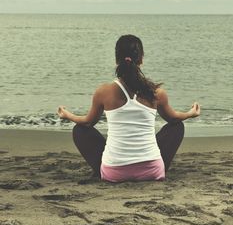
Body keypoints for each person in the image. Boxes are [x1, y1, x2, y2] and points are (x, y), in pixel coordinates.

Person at [58, 34, 200, 182]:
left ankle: (104, 171)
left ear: (116, 60)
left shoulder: (103, 92)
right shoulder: (156, 93)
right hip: (152, 172)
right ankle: (154, 166)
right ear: (142, 60)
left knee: (80, 130)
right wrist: (190, 113)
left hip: (114, 174)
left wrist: (67, 115)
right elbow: (174, 118)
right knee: (176, 127)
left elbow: (87, 122)